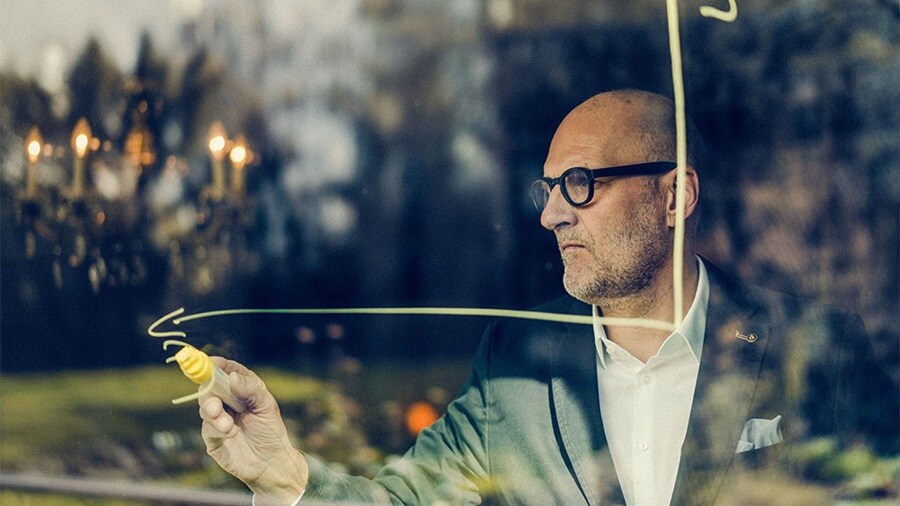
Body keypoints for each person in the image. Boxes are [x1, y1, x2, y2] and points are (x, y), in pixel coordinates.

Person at [199, 90, 896, 505]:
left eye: (581, 185)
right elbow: (406, 498)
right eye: (549, 189)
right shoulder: (517, 364)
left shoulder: (817, 347)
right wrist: (286, 476)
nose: (551, 215)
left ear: (673, 196)